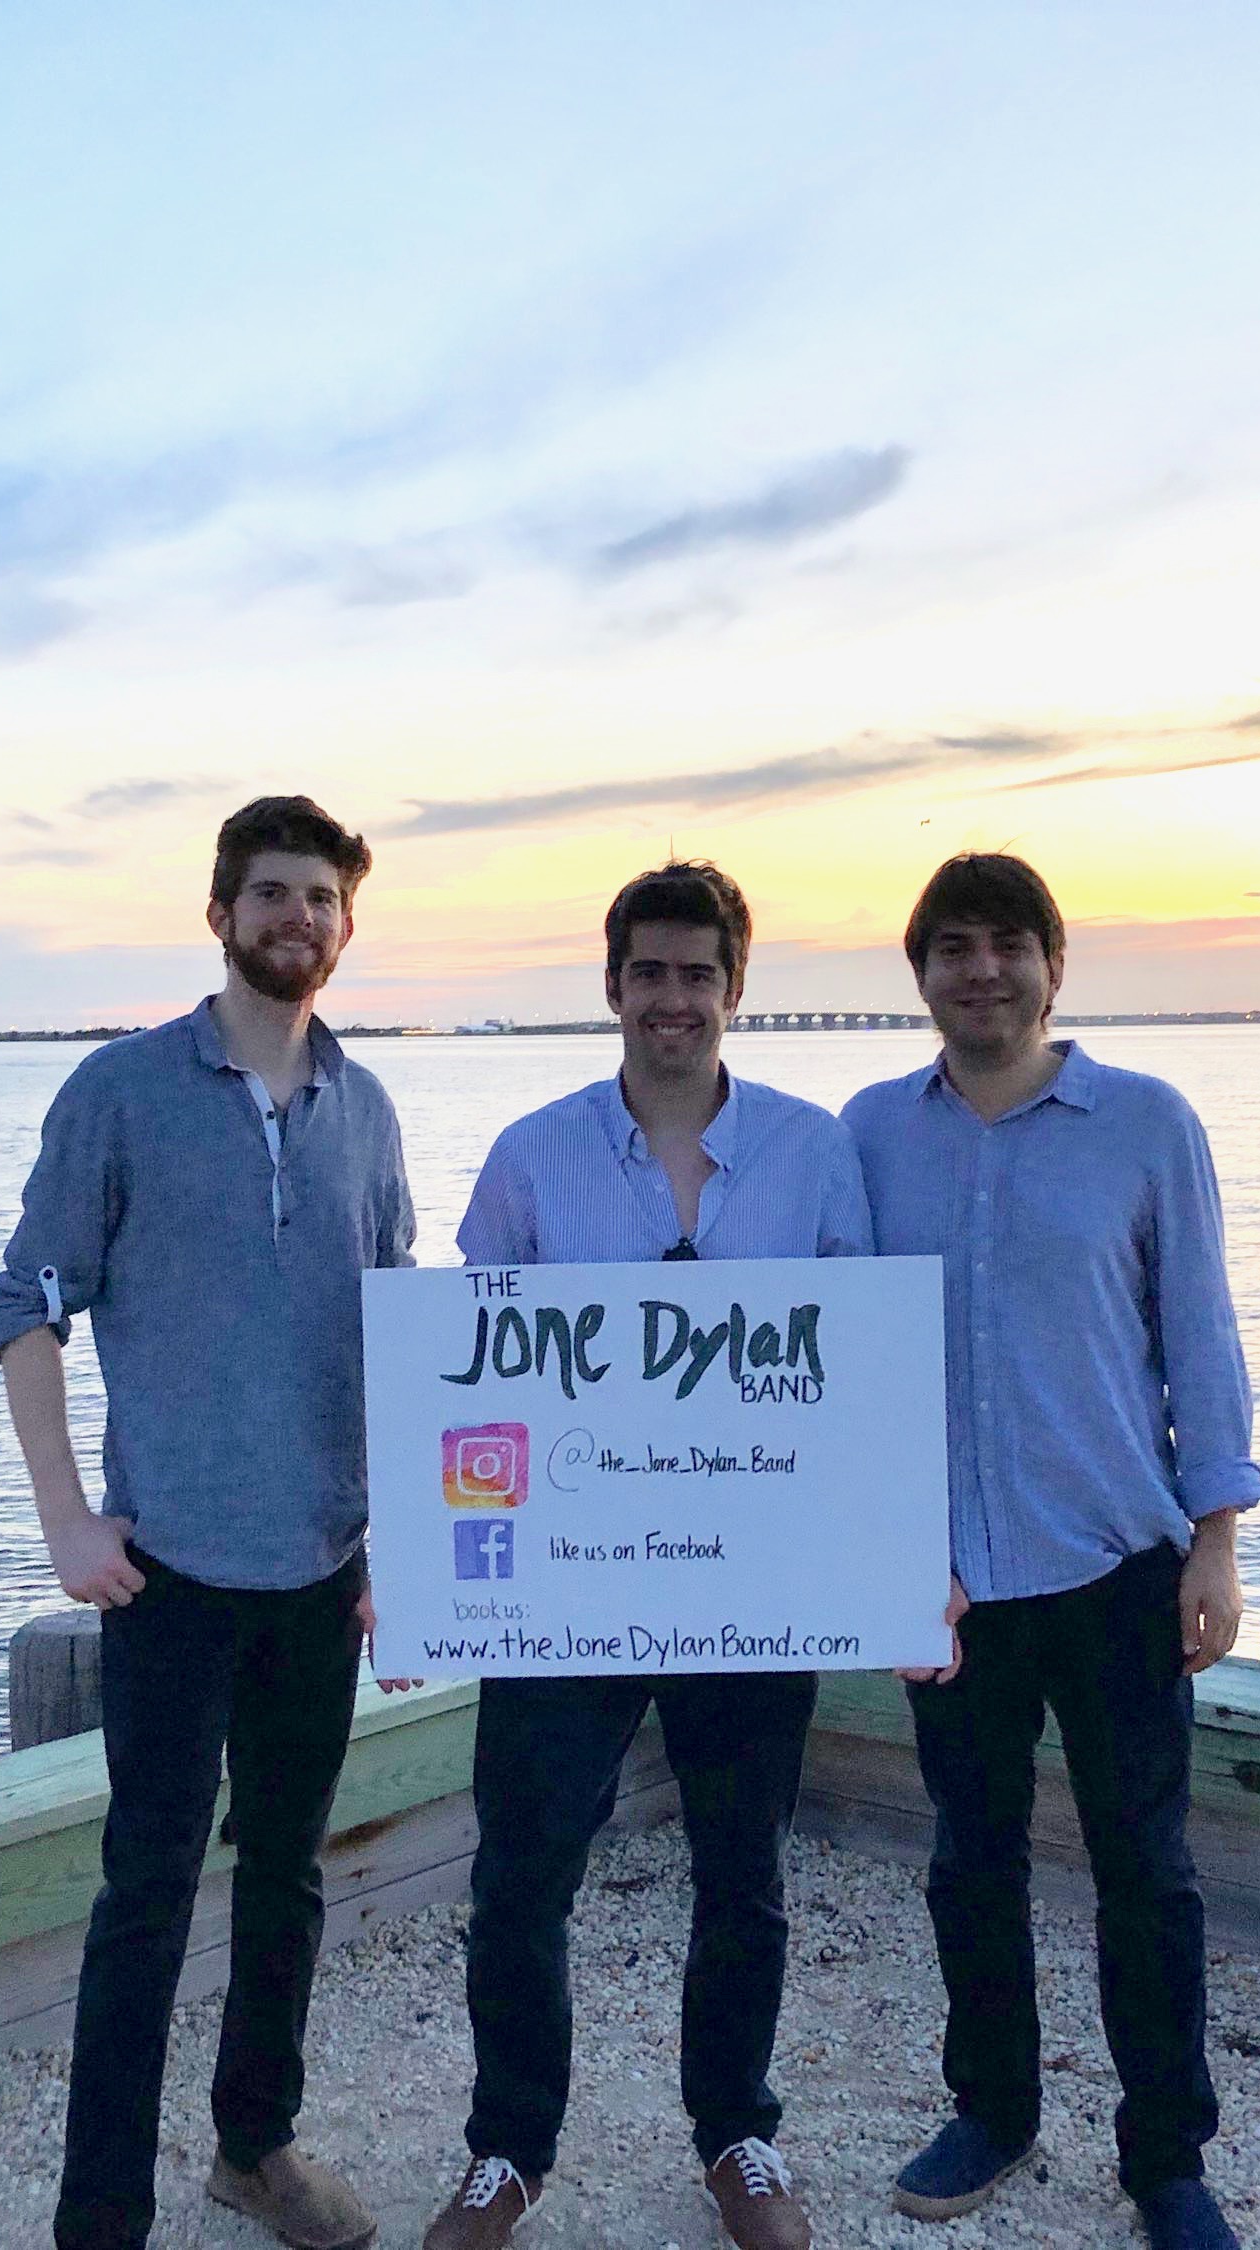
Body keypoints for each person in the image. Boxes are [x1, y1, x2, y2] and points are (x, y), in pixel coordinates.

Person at [0, 796, 414, 2250]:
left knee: (289, 1872)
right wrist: (67, 1520)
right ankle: (100, 2215)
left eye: (322, 897)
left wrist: (401, 1540)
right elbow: (26, 1304)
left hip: (321, 1569)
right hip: (163, 1571)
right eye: (273, 892)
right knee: (148, 1893)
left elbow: (403, 1329)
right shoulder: (121, 1091)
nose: (299, 916)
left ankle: (255, 2144)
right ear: (222, 910)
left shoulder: (364, 1106)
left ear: (345, 926)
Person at [422, 862, 871, 2250]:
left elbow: (856, 1372)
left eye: (698, 973)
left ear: (735, 987)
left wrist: (886, 1563)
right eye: (650, 972)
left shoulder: (813, 1151)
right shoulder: (531, 1155)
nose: (673, 998)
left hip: (753, 1585)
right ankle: (509, 2148)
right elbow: (470, 1376)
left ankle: (736, 2129)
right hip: (569, 1589)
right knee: (521, 1868)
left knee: (741, 1868)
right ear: (612, 983)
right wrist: (438, 1571)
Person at [841, 853, 1260, 2250]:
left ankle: (1166, 2159)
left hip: (1116, 1566)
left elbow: (1199, 1337)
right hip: (947, 1575)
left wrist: (1216, 1542)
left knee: (1147, 1866)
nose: (981, 969)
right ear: (920, 975)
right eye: (951, 946)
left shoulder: (1145, 1122)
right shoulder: (869, 1133)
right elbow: (829, 1356)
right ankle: (997, 2108)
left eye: (1006, 943)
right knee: (972, 1859)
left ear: (1053, 963)